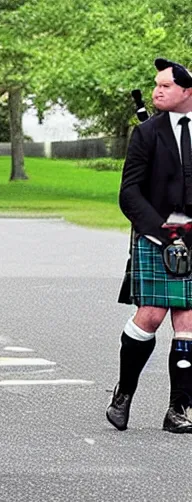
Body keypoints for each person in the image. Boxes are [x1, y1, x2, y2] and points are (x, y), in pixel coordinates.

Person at [107, 58, 192, 433]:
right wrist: (160, 230)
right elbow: (129, 192)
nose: (157, 91)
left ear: (187, 92)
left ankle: (179, 409)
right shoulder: (147, 133)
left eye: (165, 86)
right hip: (157, 233)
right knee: (152, 314)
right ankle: (123, 395)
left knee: (188, 323)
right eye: (155, 85)